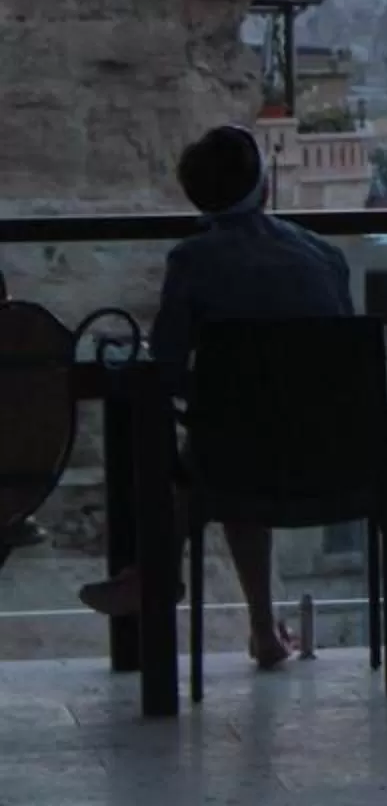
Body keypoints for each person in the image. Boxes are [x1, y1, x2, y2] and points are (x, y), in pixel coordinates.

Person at [78, 124, 351, 667]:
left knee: (217, 452)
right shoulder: (324, 255)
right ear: (264, 188)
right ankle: (257, 630)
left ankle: (152, 572)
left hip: (240, 459)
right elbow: (340, 357)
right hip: (337, 457)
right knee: (238, 444)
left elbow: (168, 370)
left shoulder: (193, 261)